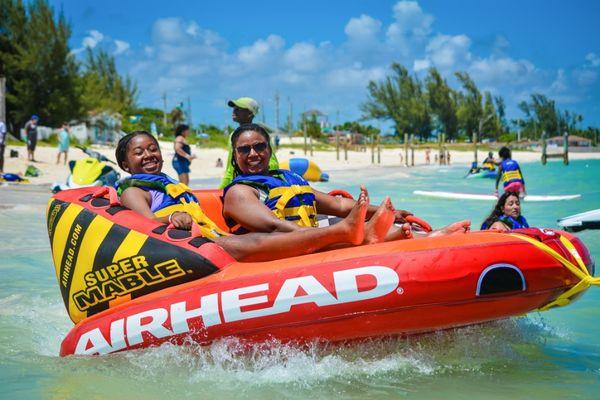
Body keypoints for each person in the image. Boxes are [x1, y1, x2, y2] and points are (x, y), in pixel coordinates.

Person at [115, 131, 375, 262]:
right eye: (139, 152)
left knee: (235, 241)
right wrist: (173, 215)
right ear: (126, 165)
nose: (149, 155)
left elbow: (336, 203)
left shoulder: (169, 185)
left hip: (205, 241)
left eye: (153, 149)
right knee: (245, 241)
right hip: (186, 251)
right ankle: (341, 232)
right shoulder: (133, 190)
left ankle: (372, 231)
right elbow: (143, 226)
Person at [222, 124, 470, 242]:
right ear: (235, 156)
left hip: (314, 241)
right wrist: (329, 235)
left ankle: (425, 237)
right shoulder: (240, 192)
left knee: (384, 229)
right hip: (282, 249)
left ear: (269, 149)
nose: (253, 153)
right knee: (362, 238)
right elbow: (273, 226)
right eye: (244, 150)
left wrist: (391, 213)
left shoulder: (287, 179)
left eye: (259, 146)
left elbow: (337, 205)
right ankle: (424, 238)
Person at [219, 97, 279, 188]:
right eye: (234, 109)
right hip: (239, 184)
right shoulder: (233, 136)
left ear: (250, 113)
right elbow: (230, 168)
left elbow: (273, 164)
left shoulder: (260, 135)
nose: (234, 111)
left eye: (238, 109)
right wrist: (222, 189)